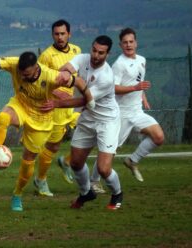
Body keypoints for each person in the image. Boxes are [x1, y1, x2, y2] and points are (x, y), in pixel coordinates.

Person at [0, 51, 93, 211]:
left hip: (40, 120)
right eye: (21, 74)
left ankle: (17, 194)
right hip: (20, 106)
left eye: (27, 74)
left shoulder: (51, 76)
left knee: (28, 160)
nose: (23, 77)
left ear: (36, 68)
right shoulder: (15, 64)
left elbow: (79, 82)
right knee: (2, 118)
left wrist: (89, 99)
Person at [46, 35, 123, 210]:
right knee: (75, 162)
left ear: (108, 54)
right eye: (94, 50)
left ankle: (117, 194)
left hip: (107, 121)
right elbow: (67, 68)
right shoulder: (83, 58)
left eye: (101, 53)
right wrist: (63, 74)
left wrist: (57, 103)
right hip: (88, 118)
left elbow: (84, 101)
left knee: (103, 169)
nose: (96, 55)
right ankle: (86, 193)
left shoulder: (106, 77)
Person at [90, 28, 165, 186]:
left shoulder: (142, 60)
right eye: (125, 42)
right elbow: (113, 88)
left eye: (131, 41)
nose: (128, 45)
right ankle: (94, 182)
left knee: (158, 137)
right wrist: (135, 88)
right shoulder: (119, 64)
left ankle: (132, 161)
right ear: (120, 45)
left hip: (137, 111)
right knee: (108, 150)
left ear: (136, 43)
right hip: (121, 114)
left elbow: (138, 81)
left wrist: (142, 95)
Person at [33, 19, 82, 196]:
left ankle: (67, 161)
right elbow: (38, 82)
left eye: (63, 33)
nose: (60, 37)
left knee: (95, 131)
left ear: (69, 34)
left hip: (73, 107)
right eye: (56, 34)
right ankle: (41, 180)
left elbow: (80, 74)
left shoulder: (77, 51)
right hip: (56, 109)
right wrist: (56, 93)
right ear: (52, 35)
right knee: (53, 147)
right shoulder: (46, 56)